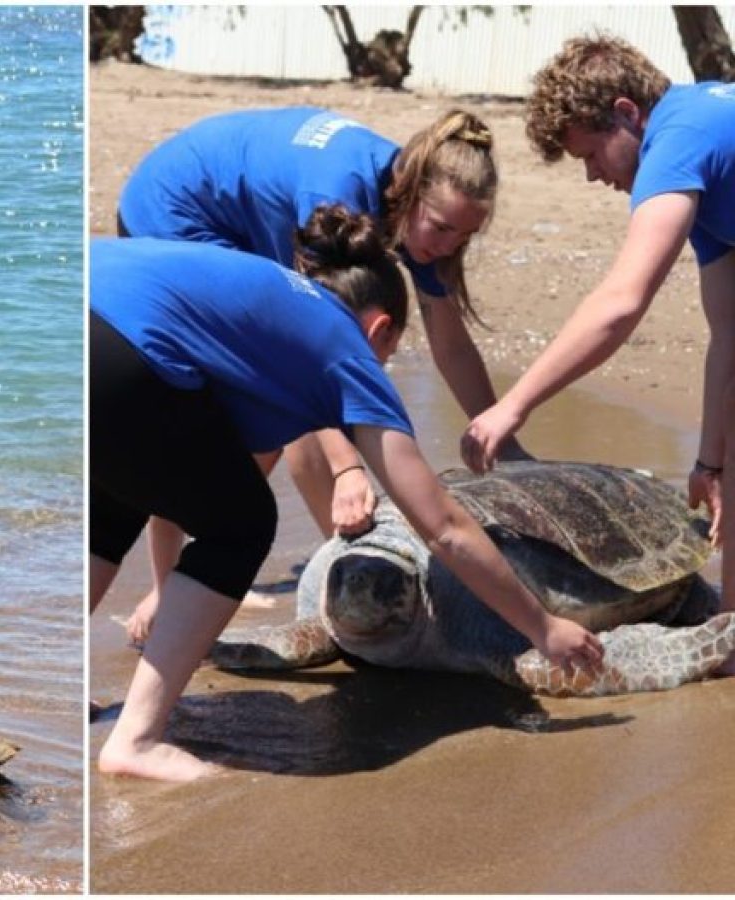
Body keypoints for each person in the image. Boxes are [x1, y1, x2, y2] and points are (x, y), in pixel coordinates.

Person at [90, 205, 604, 782]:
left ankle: (60, 693)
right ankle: (134, 741)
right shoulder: (348, 348)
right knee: (242, 528)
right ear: (381, 329)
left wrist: (171, 590)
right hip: (118, 347)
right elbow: (444, 526)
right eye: (386, 358)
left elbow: (192, 474)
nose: (378, 371)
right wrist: (543, 628)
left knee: (117, 498)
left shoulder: (273, 305)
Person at [117, 106, 529, 644]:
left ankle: (322, 562)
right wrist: (347, 470)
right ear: (410, 189)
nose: (448, 246)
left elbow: (451, 345)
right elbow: (308, 353)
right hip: (176, 212)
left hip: (241, 221)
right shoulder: (336, 198)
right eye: (444, 228)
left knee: (273, 407)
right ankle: (174, 585)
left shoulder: (425, 221)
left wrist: (505, 441)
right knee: (230, 410)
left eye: (464, 236)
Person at [458, 35, 735, 671]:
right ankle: (725, 651)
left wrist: (514, 407)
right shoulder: (709, 153)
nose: (592, 175)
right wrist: (710, 464)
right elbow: (728, 336)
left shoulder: (677, 144)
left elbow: (620, 303)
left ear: (627, 113)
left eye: (589, 152)